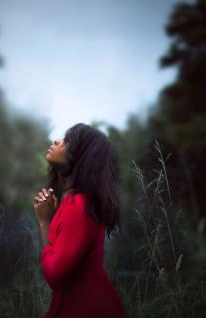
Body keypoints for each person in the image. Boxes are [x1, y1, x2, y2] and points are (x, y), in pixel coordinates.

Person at [33, 123, 125, 318]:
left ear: (81, 156)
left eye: (67, 141)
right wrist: (46, 221)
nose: (57, 141)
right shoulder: (74, 203)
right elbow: (59, 268)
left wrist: (44, 222)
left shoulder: (78, 206)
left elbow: (55, 275)